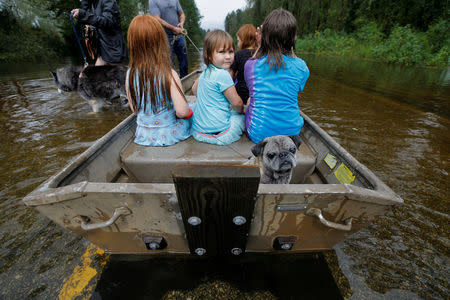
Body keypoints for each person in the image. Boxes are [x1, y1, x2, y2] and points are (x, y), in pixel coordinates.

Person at [126, 15, 192, 146]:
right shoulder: (169, 73)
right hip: (168, 134)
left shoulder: (129, 74)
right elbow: (182, 111)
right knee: (193, 110)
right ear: (161, 42)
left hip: (143, 135)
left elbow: (134, 109)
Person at [244, 9, 309, 143]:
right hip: (292, 133)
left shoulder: (250, 66)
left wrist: (261, 45)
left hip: (258, 134)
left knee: (251, 100)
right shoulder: (302, 67)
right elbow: (298, 88)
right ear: (294, 38)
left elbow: (254, 63)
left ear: (263, 37)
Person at [191, 30, 245, 146]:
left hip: (199, 132)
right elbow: (237, 103)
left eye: (231, 51)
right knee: (239, 117)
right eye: (222, 52)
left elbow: (194, 89)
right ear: (208, 55)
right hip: (221, 134)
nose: (228, 56)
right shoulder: (224, 74)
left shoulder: (205, 72)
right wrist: (242, 110)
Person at [71, 0, 128, 66]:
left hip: (113, 53)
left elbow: (107, 21)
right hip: (102, 52)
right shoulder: (93, 3)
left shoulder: (108, 1)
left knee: (115, 75)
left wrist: (83, 14)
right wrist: (85, 2)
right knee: (93, 75)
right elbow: (88, 19)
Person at [149, 0, 188, 78]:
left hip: (179, 35)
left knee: (184, 62)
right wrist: (174, 28)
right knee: (169, 64)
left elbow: (182, 14)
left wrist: (182, 22)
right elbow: (157, 19)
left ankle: (185, 81)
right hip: (164, 36)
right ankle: (173, 84)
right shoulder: (152, 1)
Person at [230, 24, 258, 104]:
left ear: (243, 40)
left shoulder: (238, 54)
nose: (238, 43)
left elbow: (230, 77)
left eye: (238, 41)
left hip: (241, 95)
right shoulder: (260, 54)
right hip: (256, 94)